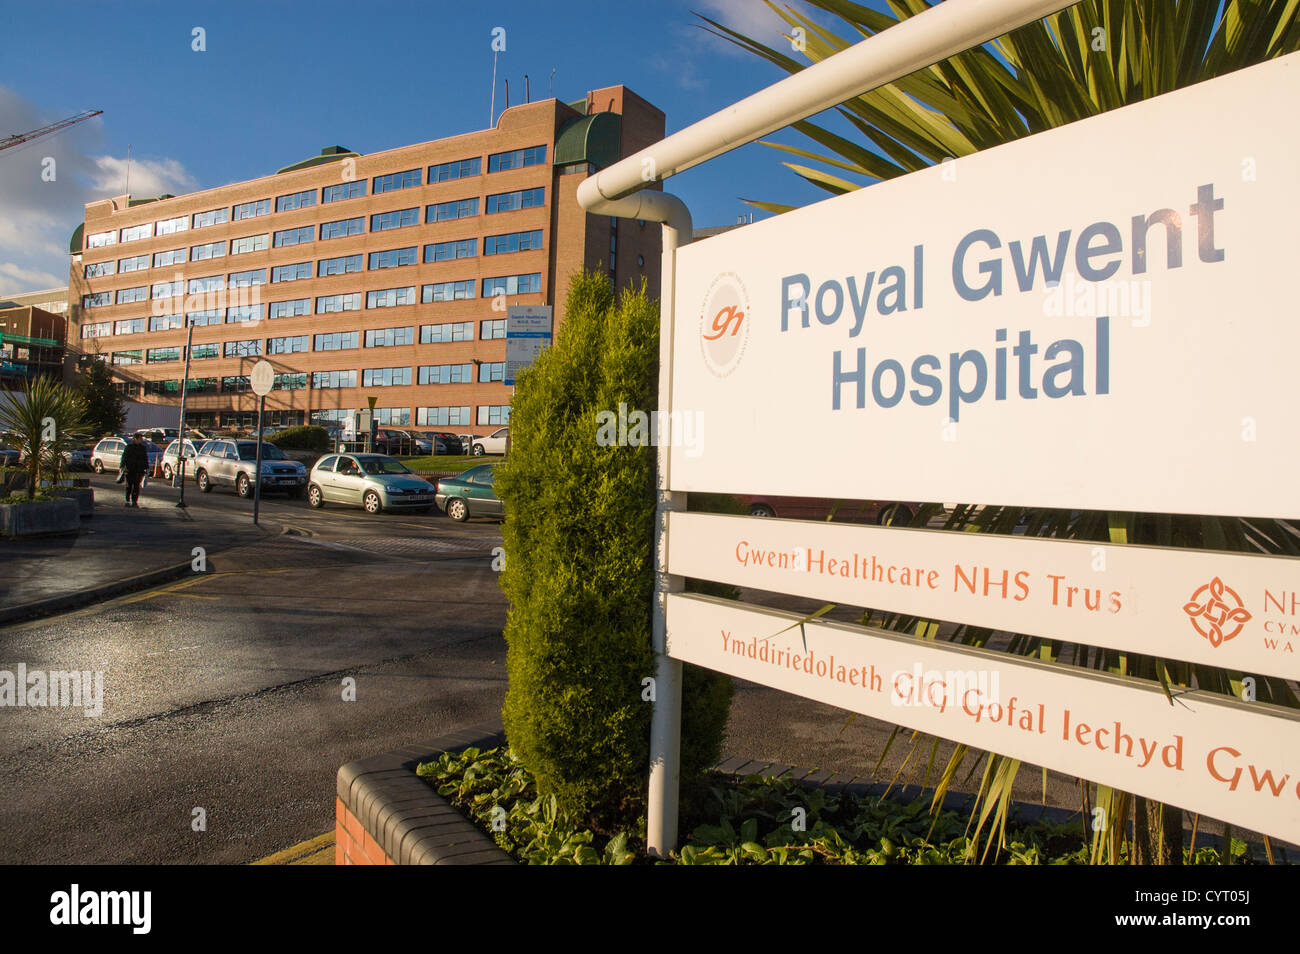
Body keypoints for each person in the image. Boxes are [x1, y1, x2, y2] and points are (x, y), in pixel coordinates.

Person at [121, 434, 150, 507]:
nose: (141, 440)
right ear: (135, 439)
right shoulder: (129, 447)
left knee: (136, 486)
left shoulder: (143, 448)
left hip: (139, 470)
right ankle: (127, 500)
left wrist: (146, 467)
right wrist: (122, 466)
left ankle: (134, 501)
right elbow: (124, 457)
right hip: (130, 469)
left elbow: (145, 458)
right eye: (140, 438)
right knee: (129, 486)